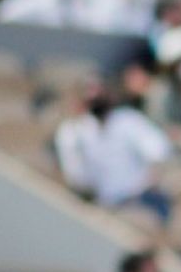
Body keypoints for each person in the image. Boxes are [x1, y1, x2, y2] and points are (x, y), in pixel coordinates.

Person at [54, 79, 173, 219]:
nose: (95, 98)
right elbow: (75, 174)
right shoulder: (73, 131)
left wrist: (151, 180)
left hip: (137, 198)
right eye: (89, 95)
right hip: (99, 204)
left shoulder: (127, 120)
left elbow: (159, 150)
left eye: (99, 93)